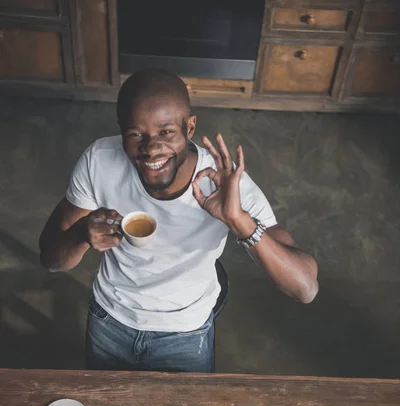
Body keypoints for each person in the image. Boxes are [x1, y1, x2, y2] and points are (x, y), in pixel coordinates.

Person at [39, 69, 318, 373]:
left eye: (166, 132)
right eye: (135, 134)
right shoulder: (99, 161)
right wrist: (81, 233)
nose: (151, 149)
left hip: (186, 333)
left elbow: (304, 288)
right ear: (121, 131)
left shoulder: (225, 182)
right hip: (109, 321)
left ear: (190, 127)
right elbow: (51, 259)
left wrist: (238, 220)